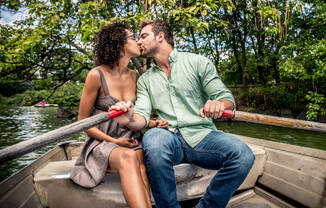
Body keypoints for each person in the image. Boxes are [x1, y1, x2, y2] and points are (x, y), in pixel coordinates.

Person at [111, 19, 255, 208]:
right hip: (168, 137)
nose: (139, 41)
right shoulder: (145, 79)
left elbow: (227, 100)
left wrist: (219, 105)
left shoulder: (198, 62)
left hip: (203, 136)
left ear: (160, 36)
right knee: (153, 140)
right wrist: (129, 119)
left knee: (244, 155)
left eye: (144, 36)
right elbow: (142, 117)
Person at [70, 21, 167, 208]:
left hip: (131, 137)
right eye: (133, 37)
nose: (139, 41)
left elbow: (135, 115)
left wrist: (153, 123)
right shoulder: (96, 75)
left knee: (142, 167)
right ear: (119, 43)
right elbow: (82, 120)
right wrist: (114, 142)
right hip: (103, 142)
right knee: (128, 157)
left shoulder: (135, 76)